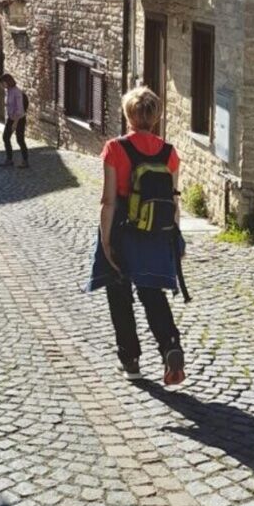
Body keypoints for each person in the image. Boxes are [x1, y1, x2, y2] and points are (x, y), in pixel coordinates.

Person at [88, 85, 188, 385]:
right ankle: (170, 345)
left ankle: (130, 360)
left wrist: (105, 240)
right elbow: (173, 200)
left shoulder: (115, 149)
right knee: (152, 292)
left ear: (128, 114)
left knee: (119, 294)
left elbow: (109, 200)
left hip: (122, 227)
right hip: (157, 231)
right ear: (155, 117)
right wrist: (176, 238)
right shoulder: (170, 154)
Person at [0, 73, 29, 168]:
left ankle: (25, 161)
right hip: (11, 118)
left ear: (7, 82)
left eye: (2, 83)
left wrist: (15, 123)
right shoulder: (8, 91)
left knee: (20, 140)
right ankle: (9, 159)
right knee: (6, 137)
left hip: (19, 119)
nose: (1, 85)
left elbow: (20, 110)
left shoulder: (17, 92)